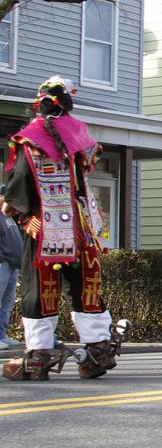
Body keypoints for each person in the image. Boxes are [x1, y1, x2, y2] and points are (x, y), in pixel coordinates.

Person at [2, 76, 126, 380]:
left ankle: (39, 357)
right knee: (85, 287)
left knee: (39, 290)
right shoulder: (80, 134)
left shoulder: (30, 137)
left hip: (43, 227)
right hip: (81, 227)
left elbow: (19, 188)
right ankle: (97, 350)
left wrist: (8, 205)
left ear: (39, 102)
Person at [0, 190, 23, 351]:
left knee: (6, 303)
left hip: (12, 265)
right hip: (3, 264)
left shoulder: (8, 217)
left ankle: (1, 334)